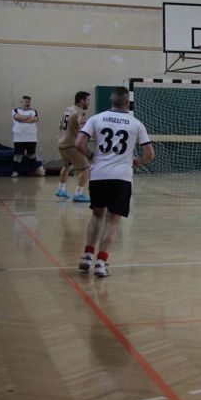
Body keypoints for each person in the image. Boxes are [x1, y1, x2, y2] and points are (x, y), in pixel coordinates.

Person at [75, 86, 155, 277]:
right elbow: (149, 154)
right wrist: (138, 161)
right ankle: (101, 263)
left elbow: (78, 143)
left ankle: (87, 255)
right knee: (112, 220)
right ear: (127, 102)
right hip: (121, 177)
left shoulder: (96, 118)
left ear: (111, 100)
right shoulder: (136, 123)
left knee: (97, 215)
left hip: (98, 174)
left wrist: (91, 156)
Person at [56, 91, 91, 202]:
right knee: (86, 168)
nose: (89, 103)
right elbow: (82, 126)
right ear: (82, 100)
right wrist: (87, 135)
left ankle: (61, 189)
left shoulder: (68, 109)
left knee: (67, 165)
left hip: (61, 143)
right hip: (71, 145)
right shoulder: (80, 111)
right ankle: (78, 194)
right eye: (87, 100)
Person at [11, 95, 44, 177]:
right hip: (19, 138)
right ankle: (15, 171)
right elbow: (17, 117)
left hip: (31, 137)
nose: (27, 103)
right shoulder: (15, 110)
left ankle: (33, 171)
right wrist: (28, 117)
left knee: (31, 155)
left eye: (29, 102)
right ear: (21, 102)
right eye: (26, 102)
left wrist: (22, 119)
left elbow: (35, 119)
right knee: (18, 155)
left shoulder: (33, 111)